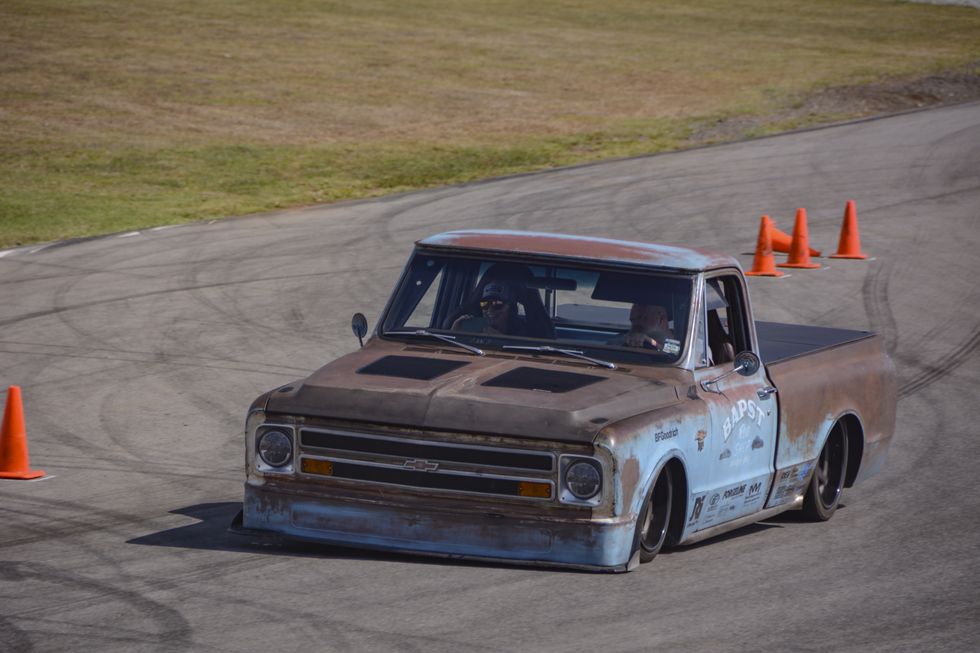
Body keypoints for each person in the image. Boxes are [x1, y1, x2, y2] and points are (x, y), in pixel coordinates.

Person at [451, 282, 527, 336]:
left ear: (509, 307)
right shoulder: (474, 328)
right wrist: (455, 331)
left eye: (497, 304)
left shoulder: (522, 333)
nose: (490, 310)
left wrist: (501, 339)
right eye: (485, 304)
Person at [609, 303, 674, 350]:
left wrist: (651, 342)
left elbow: (674, 352)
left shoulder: (678, 340)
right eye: (633, 319)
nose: (636, 323)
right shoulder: (620, 339)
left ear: (661, 320)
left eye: (643, 318)